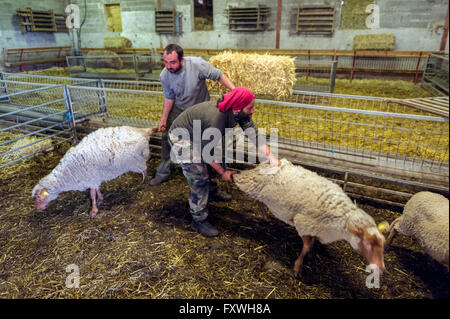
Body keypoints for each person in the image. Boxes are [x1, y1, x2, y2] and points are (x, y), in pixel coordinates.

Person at [168, 87, 280, 237]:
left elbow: (253, 134)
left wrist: (272, 158)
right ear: (237, 107)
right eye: (250, 107)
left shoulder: (238, 112)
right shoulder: (217, 118)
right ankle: (199, 219)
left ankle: (212, 192)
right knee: (198, 175)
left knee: (217, 157)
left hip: (199, 135)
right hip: (182, 137)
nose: (252, 110)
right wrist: (223, 172)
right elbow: (206, 154)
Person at [150, 44, 235, 188]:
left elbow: (218, 75)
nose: (168, 66)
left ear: (182, 59)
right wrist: (164, 119)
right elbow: (169, 97)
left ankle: (211, 183)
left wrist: (235, 91)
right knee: (167, 138)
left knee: (206, 145)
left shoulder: (197, 64)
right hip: (179, 109)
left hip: (200, 110)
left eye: (173, 62)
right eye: (166, 62)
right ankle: (162, 173)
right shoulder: (164, 75)